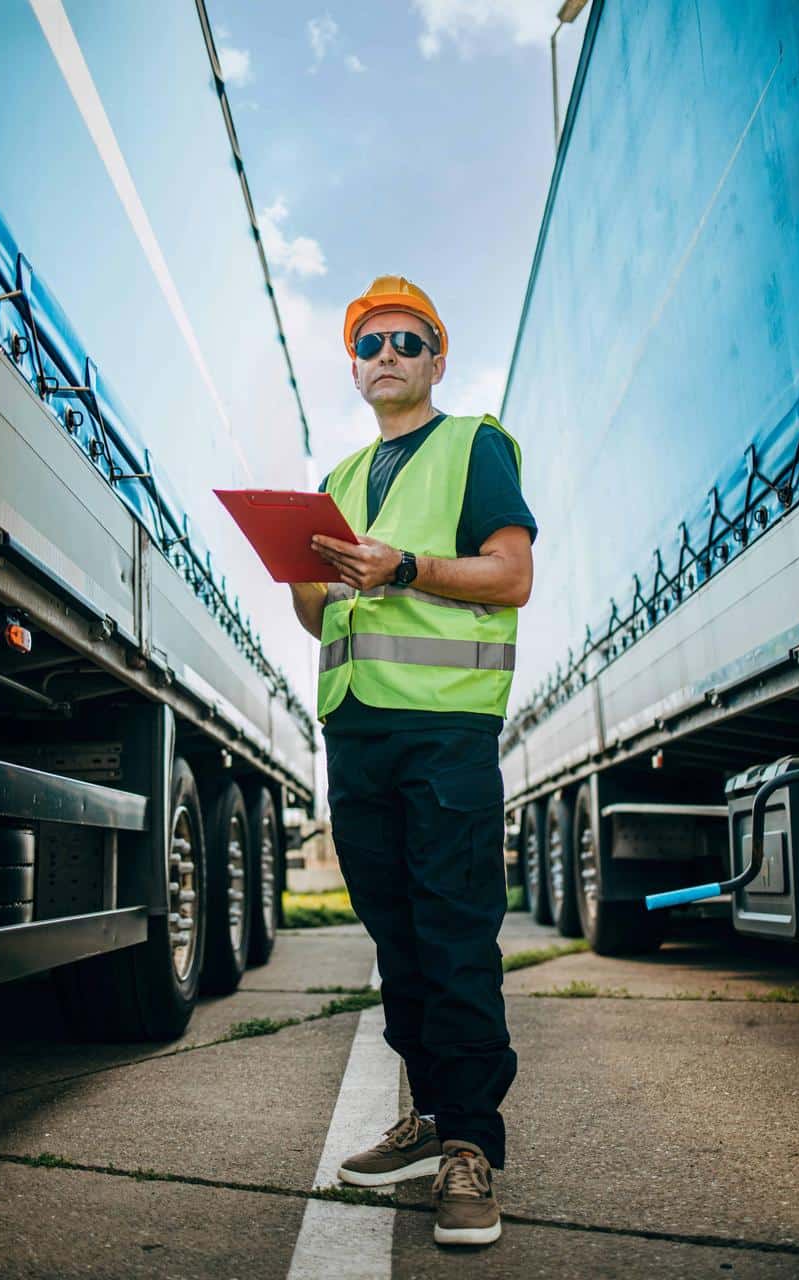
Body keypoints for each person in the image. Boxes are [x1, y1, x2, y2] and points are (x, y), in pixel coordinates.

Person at [288, 275, 537, 1247]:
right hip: (355, 732)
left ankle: (473, 1144)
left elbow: (510, 574)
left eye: (406, 338)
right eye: (369, 343)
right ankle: (432, 1119)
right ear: (353, 368)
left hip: (445, 730)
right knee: (396, 938)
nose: (385, 353)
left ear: (436, 358)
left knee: (454, 932)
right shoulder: (339, 478)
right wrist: (309, 576)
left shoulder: (474, 444)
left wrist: (405, 567)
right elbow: (315, 612)